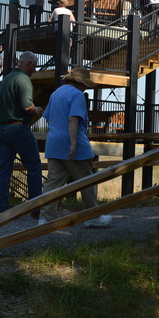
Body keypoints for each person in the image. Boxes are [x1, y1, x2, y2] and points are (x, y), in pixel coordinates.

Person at [38, 67, 112, 228]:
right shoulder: (77, 95)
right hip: (73, 144)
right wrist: (73, 143)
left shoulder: (56, 93)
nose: (86, 88)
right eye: (85, 84)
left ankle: (45, 217)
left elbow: (49, 119)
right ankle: (92, 215)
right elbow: (73, 120)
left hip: (53, 143)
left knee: (53, 182)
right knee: (86, 180)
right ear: (80, 82)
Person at [0, 51, 43, 216]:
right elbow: (26, 107)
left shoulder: (7, 77)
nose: (34, 70)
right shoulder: (24, 80)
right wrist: (37, 110)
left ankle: (0, 210)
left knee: (4, 170)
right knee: (34, 167)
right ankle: (36, 209)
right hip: (18, 128)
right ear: (28, 63)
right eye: (34, 66)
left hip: (2, 129)